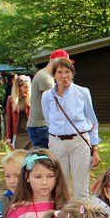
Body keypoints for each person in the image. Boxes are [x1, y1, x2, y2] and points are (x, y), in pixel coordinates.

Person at [42, 57, 100, 199]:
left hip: (79, 142)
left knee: (81, 188)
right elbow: (48, 120)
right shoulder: (47, 96)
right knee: (61, 187)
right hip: (57, 143)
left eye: (67, 72)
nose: (64, 76)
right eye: (60, 72)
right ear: (54, 75)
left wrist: (95, 149)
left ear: (72, 73)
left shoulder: (83, 92)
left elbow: (93, 121)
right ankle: (63, 213)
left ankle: (82, 213)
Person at [29, 49, 67, 149]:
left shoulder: (44, 74)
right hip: (42, 127)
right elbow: (55, 103)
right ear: (58, 61)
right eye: (65, 64)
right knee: (46, 157)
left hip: (40, 126)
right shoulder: (45, 78)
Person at [6, 75, 33, 150]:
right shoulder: (11, 100)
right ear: (19, 88)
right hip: (19, 135)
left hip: (31, 134)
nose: (27, 89)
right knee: (19, 156)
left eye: (29, 87)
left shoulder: (32, 99)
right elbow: (9, 120)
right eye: (25, 87)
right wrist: (8, 137)